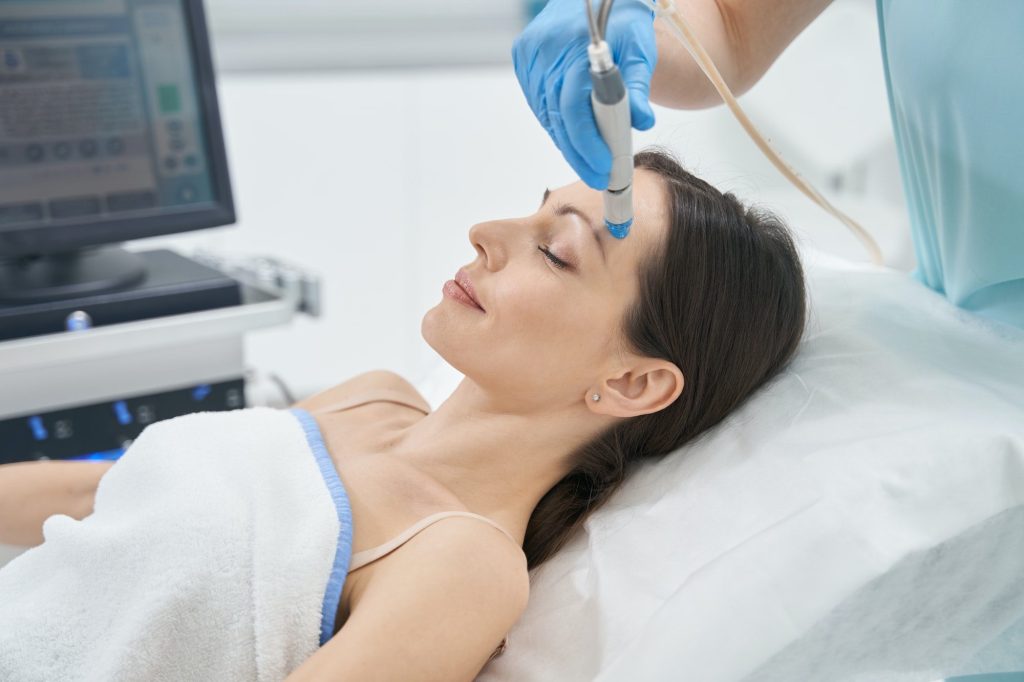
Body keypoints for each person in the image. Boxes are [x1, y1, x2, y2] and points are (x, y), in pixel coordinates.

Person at [0, 149, 806, 680]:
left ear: (632, 384)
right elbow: (87, 501)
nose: (487, 234)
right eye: (531, 212)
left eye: (556, 250)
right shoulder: (368, 397)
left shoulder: (463, 563)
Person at [513, 0, 1024, 330]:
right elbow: (732, 28)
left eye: (559, 254)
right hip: (964, 313)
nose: (476, 234)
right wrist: (632, 28)